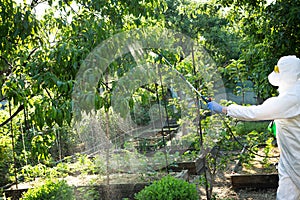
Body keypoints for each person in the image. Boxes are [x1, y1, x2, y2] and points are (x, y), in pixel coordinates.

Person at [208, 55, 300, 200]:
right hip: (289, 157)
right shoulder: (294, 91)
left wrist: (225, 109)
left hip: (296, 157)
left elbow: (255, 113)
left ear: (287, 75)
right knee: (286, 195)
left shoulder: (293, 97)